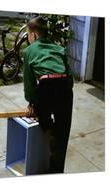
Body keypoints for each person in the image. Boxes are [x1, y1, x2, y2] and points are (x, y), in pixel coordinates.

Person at [22, 16, 74, 173]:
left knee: (44, 120)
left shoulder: (29, 51)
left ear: (34, 35)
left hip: (47, 87)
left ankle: (50, 136)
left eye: (27, 35)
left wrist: (31, 102)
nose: (28, 38)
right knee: (63, 132)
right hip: (65, 87)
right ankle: (56, 170)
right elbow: (69, 76)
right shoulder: (58, 48)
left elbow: (29, 82)